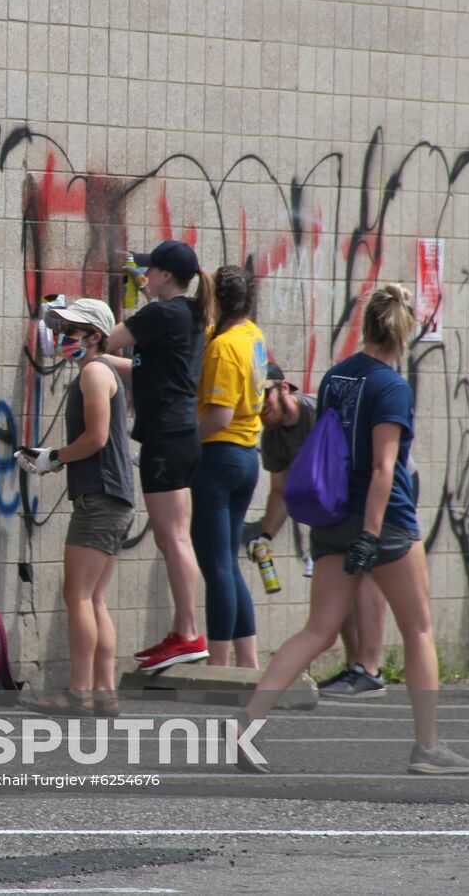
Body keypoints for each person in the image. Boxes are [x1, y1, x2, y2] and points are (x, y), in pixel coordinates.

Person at [232, 285, 469, 775]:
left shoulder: (335, 376)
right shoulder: (392, 387)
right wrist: (370, 534)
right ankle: (427, 747)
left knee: (318, 630)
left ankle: (248, 725)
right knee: (419, 629)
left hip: (331, 515)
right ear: (404, 332)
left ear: (365, 324)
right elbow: (385, 468)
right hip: (383, 522)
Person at [15, 299, 134, 717]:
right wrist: (55, 457)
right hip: (112, 496)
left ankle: (79, 692)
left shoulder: (95, 373)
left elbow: (96, 438)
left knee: (78, 595)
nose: (63, 337)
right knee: (95, 597)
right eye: (62, 329)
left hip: (100, 497)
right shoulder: (98, 372)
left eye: (72, 330)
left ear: (95, 337)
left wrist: (54, 457)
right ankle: (104, 693)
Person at [103, 240, 214, 672]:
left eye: (150, 271)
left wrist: (65, 329)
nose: (144, 277)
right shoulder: (187, 314)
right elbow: (143, 368)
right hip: (181, 435)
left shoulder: (161, 313)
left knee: (173, 540)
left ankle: (187, 634)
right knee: (177, 538)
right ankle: (183, 631)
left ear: (166, 275)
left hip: (166, 439)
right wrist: (108, 361)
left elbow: (108, 339)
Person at [246, 363, 389, 698]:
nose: (260, 405)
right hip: (333, 508)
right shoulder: (273, 435)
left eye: (264, 394)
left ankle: (371, 668)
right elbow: (279, 491)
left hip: (363, 496)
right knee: (334, 585)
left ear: (284, 388)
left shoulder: (317, 413)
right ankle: (356, 668)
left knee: (364, 573)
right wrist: (265, 535)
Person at [190, 265, 267, 668]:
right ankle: (248, 663)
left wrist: (183, 444)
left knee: (216, 564)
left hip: (218, 457)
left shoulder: (223, 348)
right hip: (247, 456)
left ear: (217, 301)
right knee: (228, 562)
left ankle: (218, 665)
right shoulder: (251, 335)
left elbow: (218, 416)